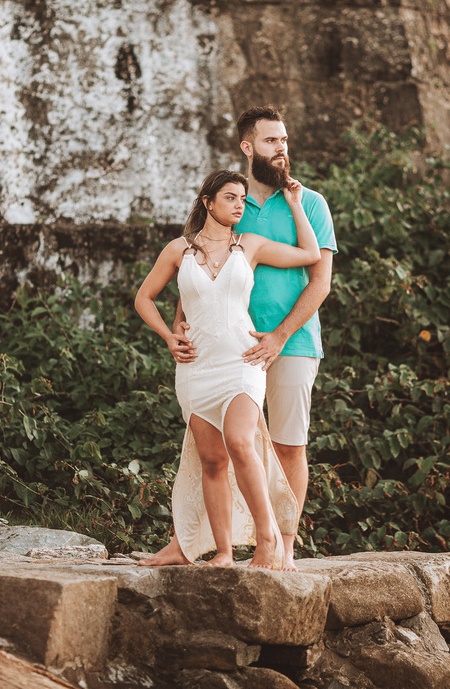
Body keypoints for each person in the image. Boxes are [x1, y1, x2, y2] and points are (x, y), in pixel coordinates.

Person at [139, 106, 338, 570]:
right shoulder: (234, 201)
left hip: (292, 341)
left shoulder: (310, 203)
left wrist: (280, 337)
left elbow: (321, 280)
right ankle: (202, 544)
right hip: (223, 349)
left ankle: (282, 545)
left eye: (285, 140)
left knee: (287, 445)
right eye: (272, 141)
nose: (282, 148)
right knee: (214, 451)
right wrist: (180, 324)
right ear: (248, 147)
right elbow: (196, 272)